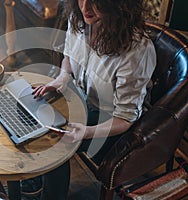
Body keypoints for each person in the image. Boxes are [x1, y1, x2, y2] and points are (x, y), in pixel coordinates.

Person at [31, 0, 157, 199]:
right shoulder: (78, 18)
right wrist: (62, 78)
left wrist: (88, 132)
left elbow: (125, 118)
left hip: (111, 122)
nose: (85, 8)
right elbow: (69, 58)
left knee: (53, 145)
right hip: (83, 100)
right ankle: (34, 185)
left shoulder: (136, 50)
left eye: (97, 2)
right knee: (32, 116)